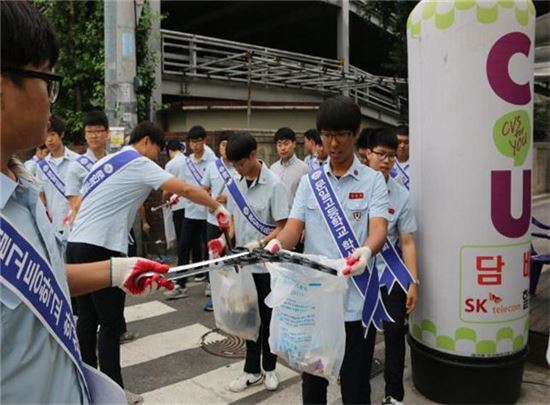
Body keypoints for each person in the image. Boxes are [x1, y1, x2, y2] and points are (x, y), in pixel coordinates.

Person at [0, 2, 173, 403]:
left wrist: (116, 270)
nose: (51, 101)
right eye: (47, 81)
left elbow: (39, 281)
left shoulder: (22, 186)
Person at [66, 121, 230, 394]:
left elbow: (84, 203)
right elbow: (186, 189)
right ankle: (113, 392)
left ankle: (88, 387)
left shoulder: (104, 162)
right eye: (157, 149)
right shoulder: (138, 161)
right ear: (146, 142)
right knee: (109, 324)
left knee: (87, 319)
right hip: (103, 248)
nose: (158, 155)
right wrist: (215, 207)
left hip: (76, 245)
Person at [264, 96, 389, 405]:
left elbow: (379, 229)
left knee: (355, 384)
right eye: (327, 135)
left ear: (356, 132)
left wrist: (367, 252)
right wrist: (280, 243)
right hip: (317, 301)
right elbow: (294, 226)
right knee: (313, 381)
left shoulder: (373, 181)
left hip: (356, 302)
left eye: (342, 134)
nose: (334, 143)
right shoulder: (311, 182)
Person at [209, 132, 290, 393]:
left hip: (267, 266)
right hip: (243, 266)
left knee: (268, 320)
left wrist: (261, 243)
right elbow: (232, 223)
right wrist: (222, 242)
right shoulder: (235, 182)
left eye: (241, 164)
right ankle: (251, 370)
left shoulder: (275, 185)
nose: (238, 169)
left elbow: (283, 227)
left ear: (254, 155)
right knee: (248, 320)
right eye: (233, 165)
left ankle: (270, 369)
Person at [365, 128, 419, 405]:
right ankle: (357, 386)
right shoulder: (354, 189)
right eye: (381, 154)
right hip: (360, 277)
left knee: (396, 334)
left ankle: (394, 394)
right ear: (367, 154)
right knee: (361, 335)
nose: (386, 160)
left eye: (391, 156)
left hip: (390, 276)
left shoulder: (401, 196)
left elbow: (408, 241)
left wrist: (413, 281)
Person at [164, 125, 215, 299]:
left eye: (198, 141)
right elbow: (183, 185)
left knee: (208, 248)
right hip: (190, 211)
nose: (195, 145)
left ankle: (210, 282)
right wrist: (175, 196)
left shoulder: (212, 161)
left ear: (204, 141)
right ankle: (180, 284)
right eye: (192, 142)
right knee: (184, 246)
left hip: (207, 213)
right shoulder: (187, 162)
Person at [201, 130, 236, 311]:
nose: (225, 148)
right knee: (215, 259)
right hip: (213, 221)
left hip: (234, 224)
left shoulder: (240, 167)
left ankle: (233, 296)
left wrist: (228, 200)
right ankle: (216, 297)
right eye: (222, 145)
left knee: (233, 262)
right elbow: (203, 189)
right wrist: (208, 202)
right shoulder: (212, 167)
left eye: (228, 144)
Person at [36, 115, 79, 243]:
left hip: (76, 226)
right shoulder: (42, 167)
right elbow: (41, 195)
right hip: (53, 226)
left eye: (53, 134)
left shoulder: (77, 161)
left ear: (62, 135)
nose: (49, 140)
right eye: (46, 135)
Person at [65, 110, 109, 224]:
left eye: (98, 131)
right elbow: (74, 203)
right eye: (89, 131)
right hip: (90, 225)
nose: (94, 136)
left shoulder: (113, 162)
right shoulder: (76, 167)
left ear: (107, 133)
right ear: (85, 135)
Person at [270, 127, 308, 202]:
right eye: (279, 145)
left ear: (294, 144)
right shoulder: (273, 168)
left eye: (286, 144)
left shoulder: (303, 168)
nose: (283, 148)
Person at [389, 125, 410, 190]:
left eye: (406, 142)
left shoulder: (417, 164)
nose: (402, 146)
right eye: (399, 142)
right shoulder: (388, 162)